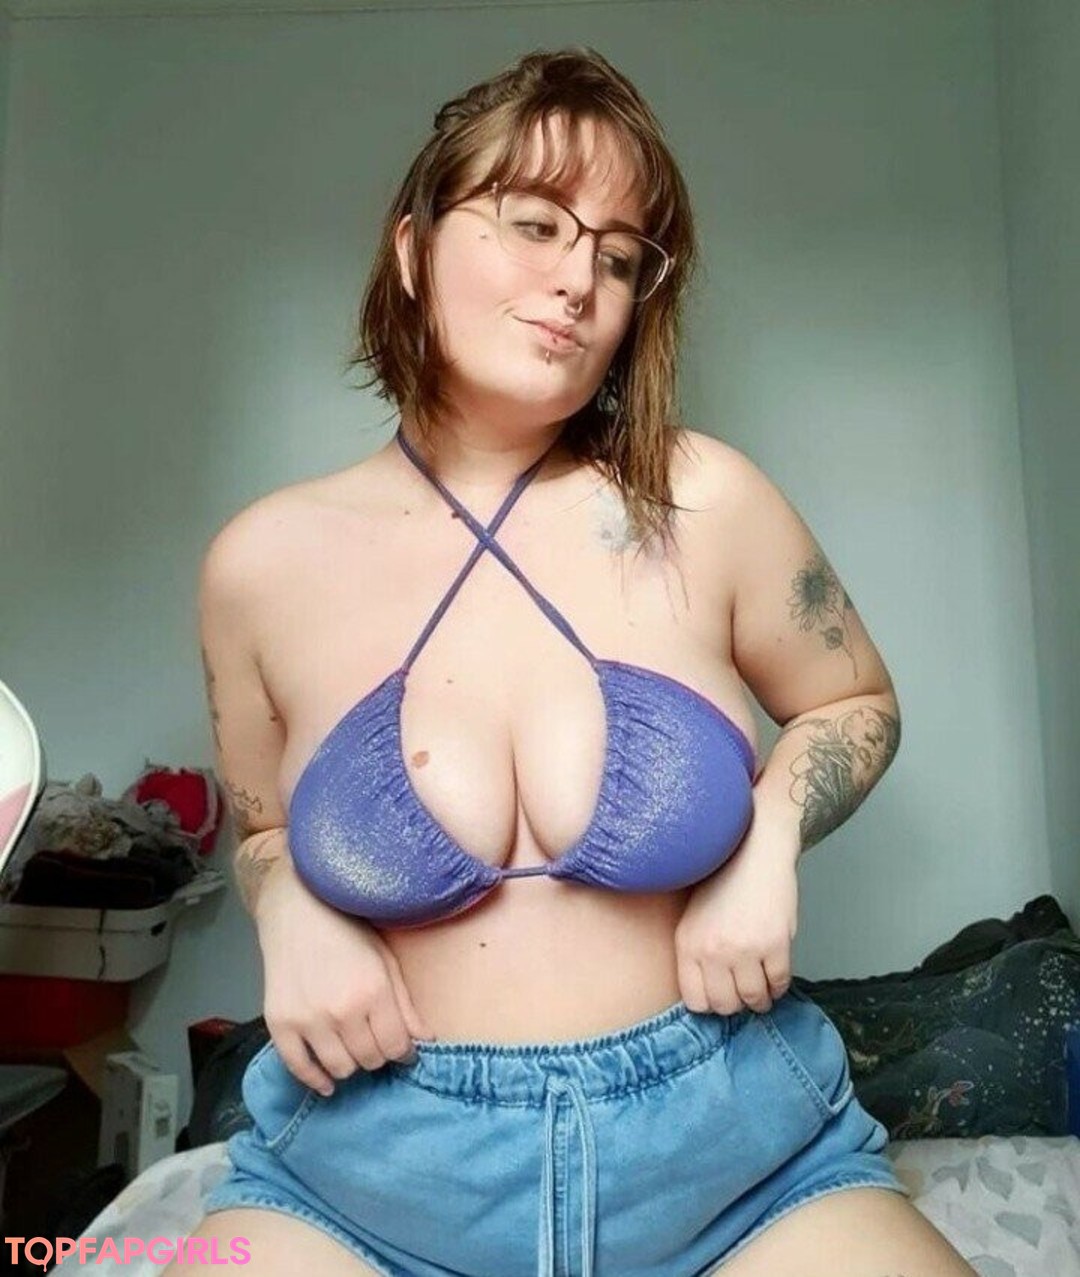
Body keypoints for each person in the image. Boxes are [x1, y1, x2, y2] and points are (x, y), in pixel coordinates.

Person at [176, 47, 978, 1277]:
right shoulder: (262, 565)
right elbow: (265, 827)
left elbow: (856, 701)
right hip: (369, 1173)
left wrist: (767, 841)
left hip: (734, 1158)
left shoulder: (704, 499)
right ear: (411, 249)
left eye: (615, 256)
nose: (577, 283)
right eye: (536, 224)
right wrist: (288, 910)